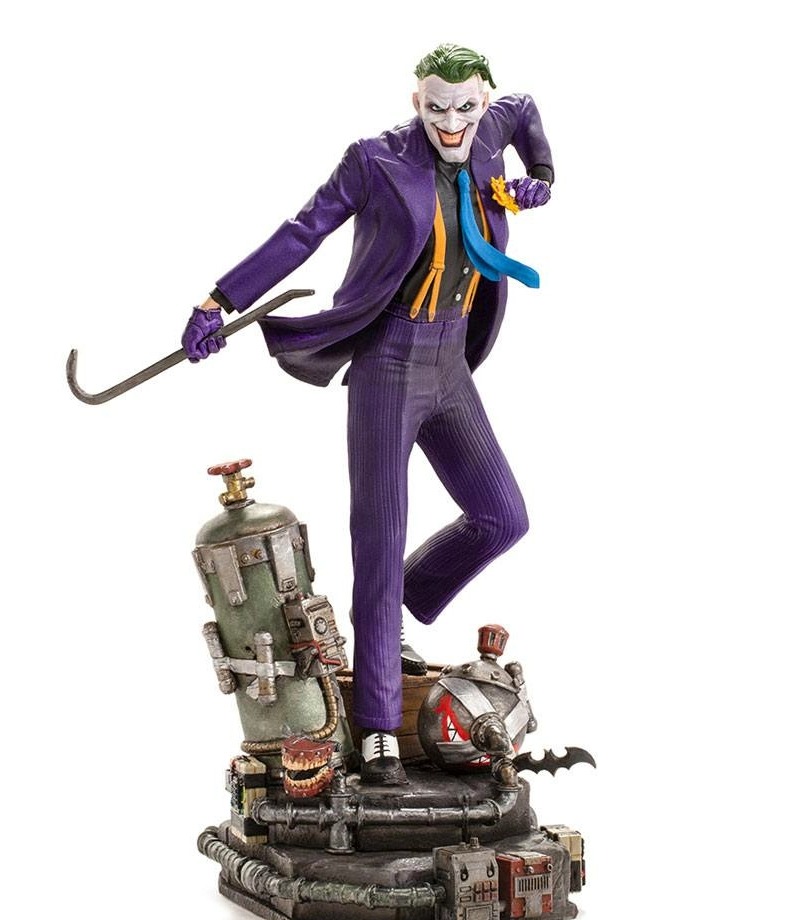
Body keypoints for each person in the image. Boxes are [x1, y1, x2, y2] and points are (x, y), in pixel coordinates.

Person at [182, 43, 554, 784]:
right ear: (416, 102)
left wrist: (540, 175)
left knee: (502, 517)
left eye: (467, 107)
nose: (453, 122)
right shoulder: (375, 160)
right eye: (436, 107)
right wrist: (219, 300)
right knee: (379, 540)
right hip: (389, 363)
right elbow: (303, 230)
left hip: (451, 360)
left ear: (483, 102)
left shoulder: (491, 127)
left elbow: (527, 113)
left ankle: (392, 608)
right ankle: (379, 722)